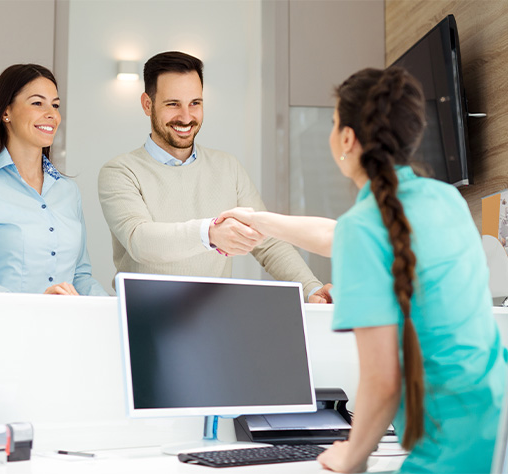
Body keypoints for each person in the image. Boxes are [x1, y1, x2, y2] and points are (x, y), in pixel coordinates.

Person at [217, 67, 507, 472]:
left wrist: (351, 455)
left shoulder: (366, 226)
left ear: (347, 139)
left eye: (335, 122)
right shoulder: (444, 199)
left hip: (448, 441)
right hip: (495, 417)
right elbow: (339, 235)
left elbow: (382, 381)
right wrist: (260, 219)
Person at [98, 51, 330, 303]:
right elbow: (140, 240)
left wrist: (310, 288)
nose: (186, 117)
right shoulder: (120, 171)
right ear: (147, 104)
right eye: (173, 104)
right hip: (143, 318)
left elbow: (268, 242)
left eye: (195, 103)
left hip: (213, 317)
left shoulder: (227, 167)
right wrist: (209, 233)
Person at [0, 64, 106, 296]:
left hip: (64, 327)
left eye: (55, 105)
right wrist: (34, 304)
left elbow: (80, 276)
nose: (52, 114)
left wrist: (111, 306)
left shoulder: (68, 191)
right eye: (37, 103)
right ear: (6, 112)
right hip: (5, 328)